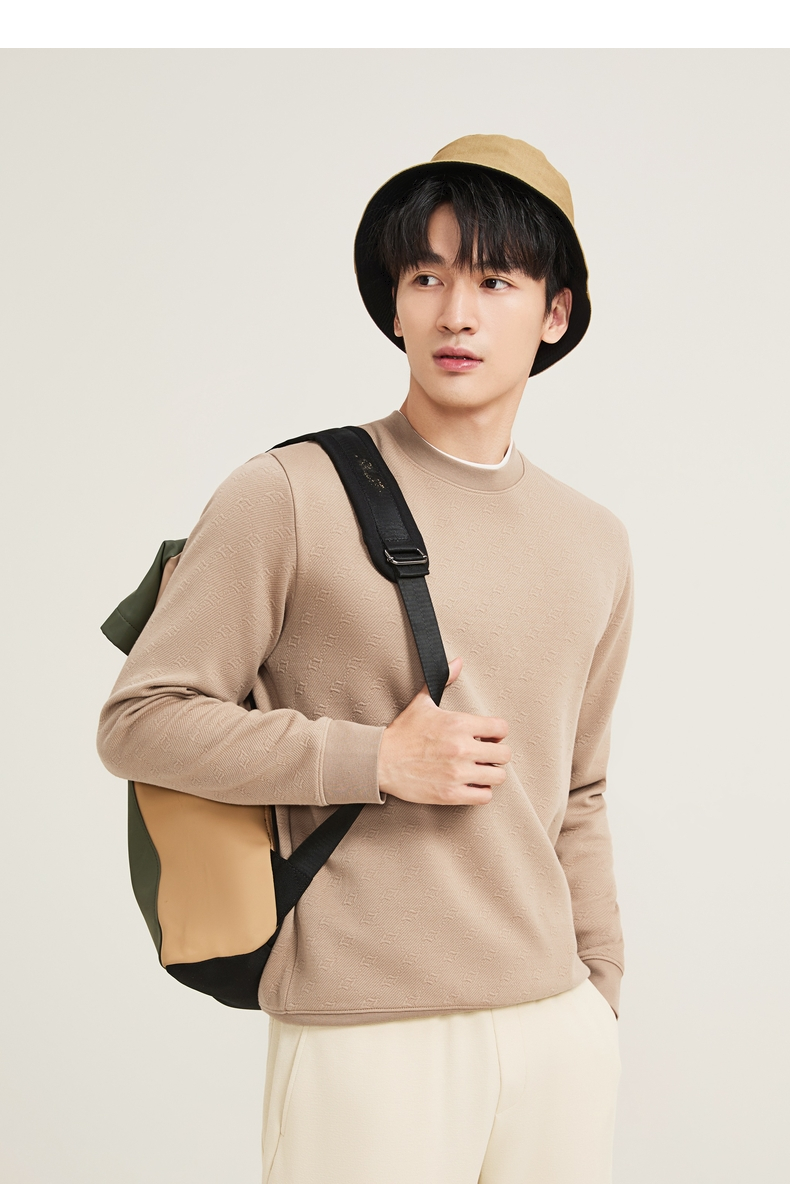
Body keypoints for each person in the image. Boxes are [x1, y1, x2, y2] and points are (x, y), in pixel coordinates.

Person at [97, 134, 633, 1184]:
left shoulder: (595, 540)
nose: (456, 313)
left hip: (557, 1032)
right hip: (364, 1034)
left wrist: (599, 992)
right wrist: (374, 759)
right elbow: (139, 719)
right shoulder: (288, 494)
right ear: (394, 304)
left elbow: (579, 788)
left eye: (494, 280)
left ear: (555, 311)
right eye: (425, 277)